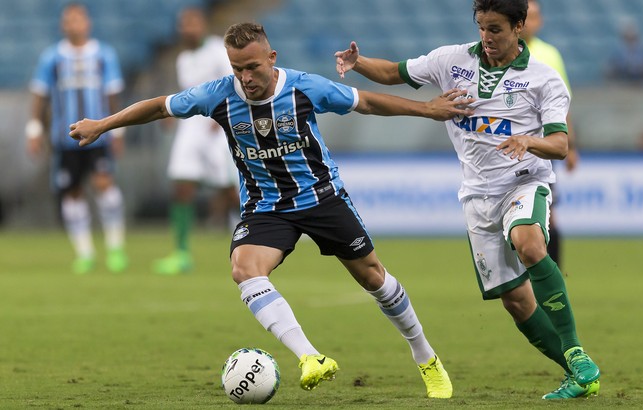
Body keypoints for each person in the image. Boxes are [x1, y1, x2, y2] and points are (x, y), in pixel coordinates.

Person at [69, 22, 474, 398]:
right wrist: (103, 125)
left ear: (272, 58)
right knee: (244, 269)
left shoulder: (304, 88)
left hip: (321, 197)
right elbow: (160, 107)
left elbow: (366, 102)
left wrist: (426, 109)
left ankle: (426, 357)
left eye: (252, 67)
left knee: (374, 278)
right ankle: (310, 356)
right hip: (266, 207)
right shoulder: (218, 94)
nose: (246, 77)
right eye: (237, 68)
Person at [335, 0, 600, 400]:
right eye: (481, 27)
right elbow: (395, 73)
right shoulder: (451, 60)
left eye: (495, 29)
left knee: (529, 242)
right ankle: (577, 373)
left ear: (518, 26)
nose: (486, 38)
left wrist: (530, 140)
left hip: (524, 182)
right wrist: (359, 63)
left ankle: (577, 351)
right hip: (477, 196)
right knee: (515, 301)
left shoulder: (544, 78)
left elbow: (561, 146)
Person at [27, 3, 127, 274]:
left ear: (87, 23)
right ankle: (85, 253)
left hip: (100, 137)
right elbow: (40, 94)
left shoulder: (104, 54)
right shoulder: (53, 57)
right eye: (68, 20)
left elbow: (112, 94)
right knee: (72, 192)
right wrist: (35, 129)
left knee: (104, 185)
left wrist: (117, 130)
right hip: (65, 138)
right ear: (63, 25)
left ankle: (115, 248)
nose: (73, 25)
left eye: (78, 19)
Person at [154, 7, 241, 275]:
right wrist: (171, 114)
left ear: (202, 25)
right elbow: (187, 94)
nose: (187, 29)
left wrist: (222, 117)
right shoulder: (183, 58)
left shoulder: (217, 50)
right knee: (181, 185)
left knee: (228, 190)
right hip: (190, 128)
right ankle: (181, 253)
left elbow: (234, 82)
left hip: (216, 126)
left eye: (192, 23)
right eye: (184, 25)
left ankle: (272, 228)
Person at [522, 0, 579, 267]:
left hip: (541, 148)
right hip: (505, 146)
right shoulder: (497, 52)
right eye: (524, 16)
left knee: (548, 216)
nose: (528, 22)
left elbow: (563, 103)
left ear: (539, 21)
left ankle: (555, 276)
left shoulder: (549, 54)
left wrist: (572, 145)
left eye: (533, 16)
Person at [605, 20, 643, 84]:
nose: (630, 35)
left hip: (640, 74)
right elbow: (614, 63)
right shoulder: (618, 50)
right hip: (623, 73)